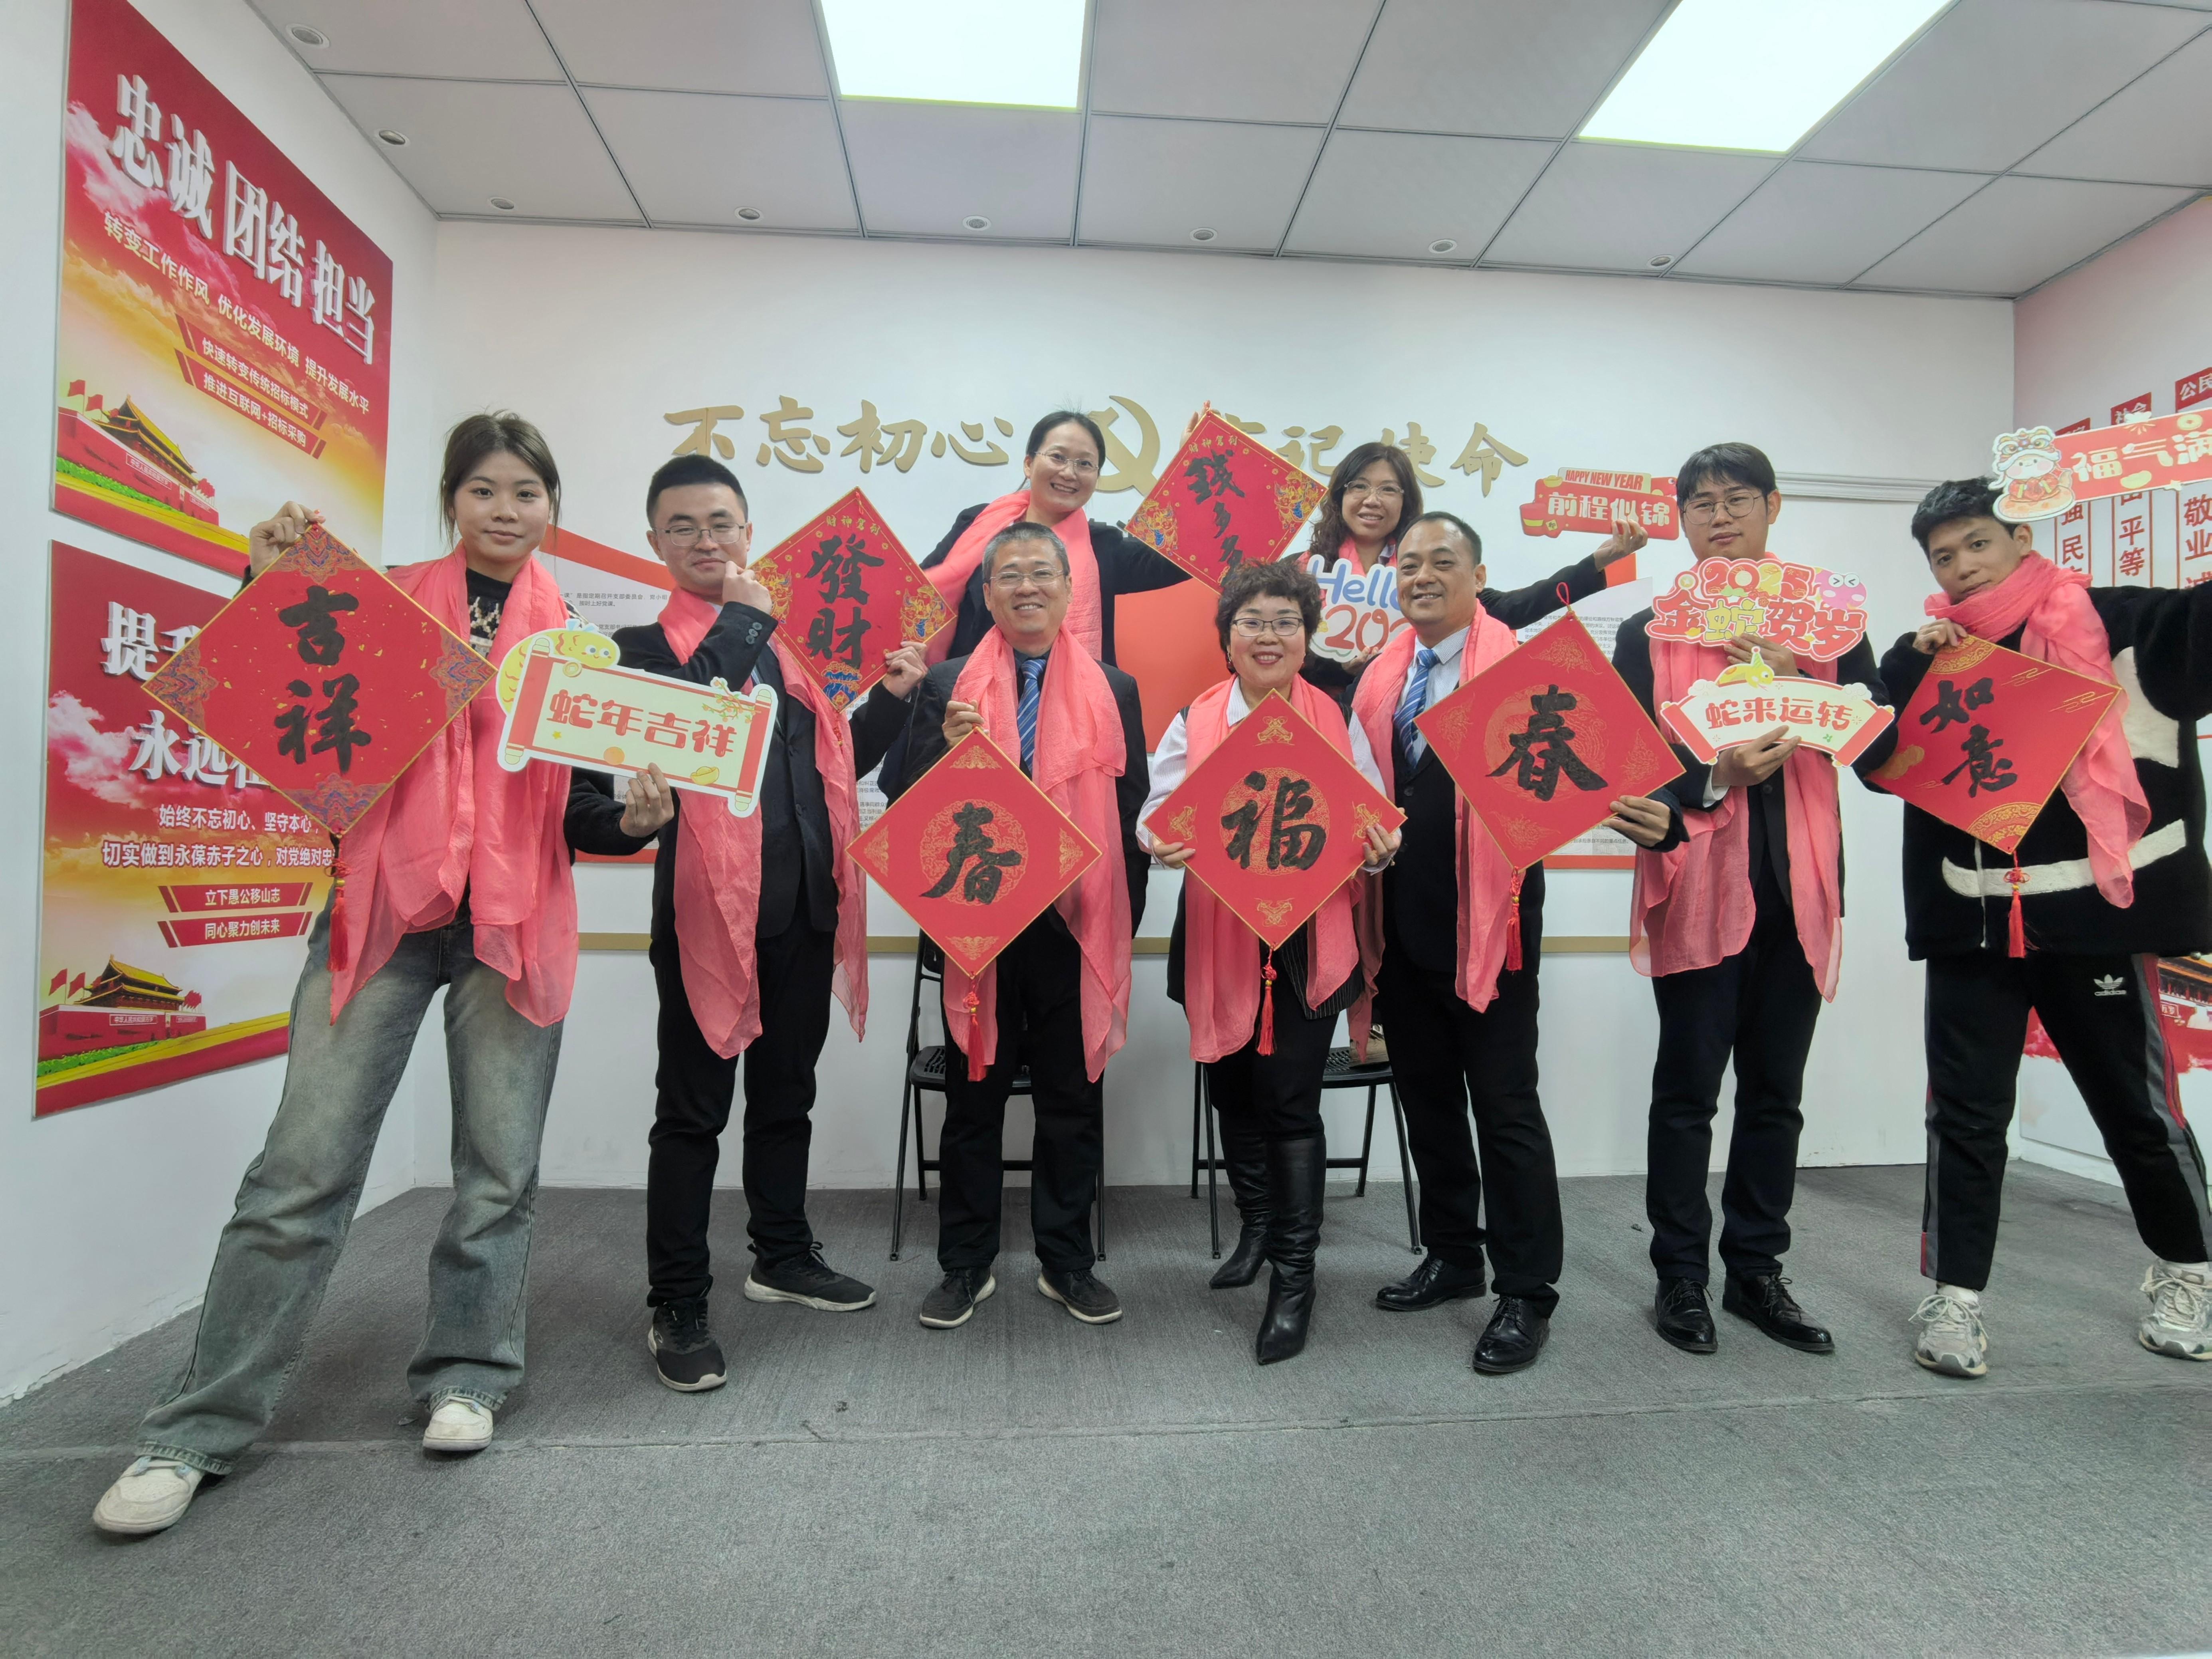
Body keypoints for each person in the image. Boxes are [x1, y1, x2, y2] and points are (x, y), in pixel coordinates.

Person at [93, 414, 665, 1537]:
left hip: (512, 923)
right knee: (299, 1171)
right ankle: (194, 1427)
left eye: (527, 492)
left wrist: (636, 819)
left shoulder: (581, 648)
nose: (506, 510)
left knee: (497, 1169)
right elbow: (292, 706)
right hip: (384, 913)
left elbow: (585, 810)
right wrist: (261, 582)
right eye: (485, 489)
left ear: (552, 506)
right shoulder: (387, 600)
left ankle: (469, 1373)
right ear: (452, 500)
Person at [567, 455, 925, 1393]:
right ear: (654, 542)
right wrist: (746, 617)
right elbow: (691, 717)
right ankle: (678, 1300)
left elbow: (827, 766)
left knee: (785, 1097)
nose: (705, 539)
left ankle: (782, 1253)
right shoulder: (643, 647)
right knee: (691, 1115)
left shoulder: (783, 655)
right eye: (683, 525)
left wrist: (889, 702)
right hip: (707, 919)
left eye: (721, 522)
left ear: (748, 531)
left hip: (803, 909)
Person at [1870, 479, 2212, 1378]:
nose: (1961, 567)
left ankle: (2189, 1272)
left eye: (1976, 544)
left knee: (2136, 1111)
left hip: (2095, 919)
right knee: (1963, 1117)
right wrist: (1913, 671)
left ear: (2020, 538)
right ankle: (1954, 1296)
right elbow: (1875, 757)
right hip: (1972, 924)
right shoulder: (1929, 653)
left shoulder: (2124, 622)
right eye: (1942, 557)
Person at [1608, 442, 1886, 1359]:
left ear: (1772, 507)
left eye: (1734, 499)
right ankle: (1680, 1275)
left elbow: (1877, 742)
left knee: (1774, 1094)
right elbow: (1622, 761)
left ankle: (1756, 1271)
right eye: (1699, 503)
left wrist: (1798, 671)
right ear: (1680, 520)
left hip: (1799, 887)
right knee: (1685, 1093)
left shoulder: (1828, 618)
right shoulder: (1646, 630)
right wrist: (1711, 773)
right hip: (1696, 884)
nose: (1718, 516)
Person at [887, 521, 1149, 1330]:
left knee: (1072, 1098)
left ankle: (1066, 1261)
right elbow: (902, 798)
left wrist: (1117, 924)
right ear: (987, 593)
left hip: (1076, 928)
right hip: (979, 926)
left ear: (1070, 590)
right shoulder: (948, 681)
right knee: (974, 1100)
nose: (1027, 587)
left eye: (1042, 572)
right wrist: (942, 750)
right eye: (1010, 575)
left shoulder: (1116, 687)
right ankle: (964, 1264)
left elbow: (1131, 809)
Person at [1142, 560, 1400, 1364]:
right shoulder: (1194, 719)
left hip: (1306, 937)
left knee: (1289, 1103)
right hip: (1217, 930)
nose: (1268, 635)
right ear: (1227, 637)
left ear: (1305, 637)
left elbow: (1372, 820)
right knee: (1231, 1088)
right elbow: (1153, 814)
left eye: (1285, 621)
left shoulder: (1335, 716)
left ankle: (1295, 1277)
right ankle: (1255, 1227)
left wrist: (1379, 847)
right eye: (1251, 620)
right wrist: (1158, 841)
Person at [1353, 512, 1569, 1374]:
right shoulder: (1382, 675)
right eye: (1408, 564)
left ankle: (1526, 1289)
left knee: (1505, 1107)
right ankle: (1452, 1254)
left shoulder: (1523, 669)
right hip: (1401, 925)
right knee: (1428, 1099)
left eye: (1442, 561)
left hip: (1493, 924)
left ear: (1478, 577)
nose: (1421, 576)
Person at [1295, 441, 1646, 705]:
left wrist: (1597, 562)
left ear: (1406, 501)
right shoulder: (1301, 570)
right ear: (1340, 496)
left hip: (1406, 707)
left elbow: (1513, 607)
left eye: (1388, 489)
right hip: (1317, 710)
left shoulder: (1428, 574)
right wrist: (1341, 670)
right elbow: (1280, 642)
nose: (1372, 500)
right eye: (1359, 486)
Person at [922, 410, 1188, 667]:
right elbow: (917, 591)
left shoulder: (1104, 547)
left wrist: (1193, 460)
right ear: (1029, 464)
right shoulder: (975, 523)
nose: (1069, 473)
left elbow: (1183, 554)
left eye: (1085, 464)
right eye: (1058, 457)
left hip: (1075, 694)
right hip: (967, 690)